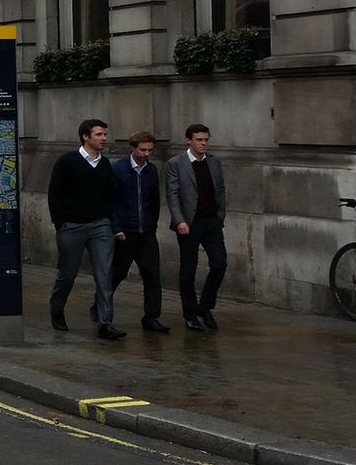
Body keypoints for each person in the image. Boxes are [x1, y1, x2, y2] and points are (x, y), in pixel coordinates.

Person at [47, 119, 125, 340]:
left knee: (104, 275)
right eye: (99, 134)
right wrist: (60, 224)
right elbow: (55, 194)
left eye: (104, 134)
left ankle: (105, 322)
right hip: (72, 226)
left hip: (100, 225)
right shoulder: (67, 161)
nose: (104, 138)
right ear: (85, 136)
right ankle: (57, 309)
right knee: (68, 274)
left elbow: (110, 194)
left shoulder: (105, 164)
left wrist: (109, 220)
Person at [167, 123, 227, 331]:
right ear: (189, 141)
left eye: (206, 140)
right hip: (189, 223)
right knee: (188, 269)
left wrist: (220, 215)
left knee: (219, 264)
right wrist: (179, 220)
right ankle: (190, 312)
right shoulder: (176, 163)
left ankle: (205, 306)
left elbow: (220, 189)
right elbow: (172, 194)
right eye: (199, 140)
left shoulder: (214, 162)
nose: (203, 144)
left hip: (211, 221)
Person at [109, 130, 169, 333]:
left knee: (152, 274)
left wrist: (152, 223)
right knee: (117, 273)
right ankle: (101, 308)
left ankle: (151, 316)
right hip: (125, 231)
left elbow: (154, 200)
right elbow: (112, 202)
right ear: (132, 148)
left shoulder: (151, 171)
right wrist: (116, 227)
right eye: (143, 150)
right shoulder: (118, 170)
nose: (146, 154)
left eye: (150, 150)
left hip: (146, 231)